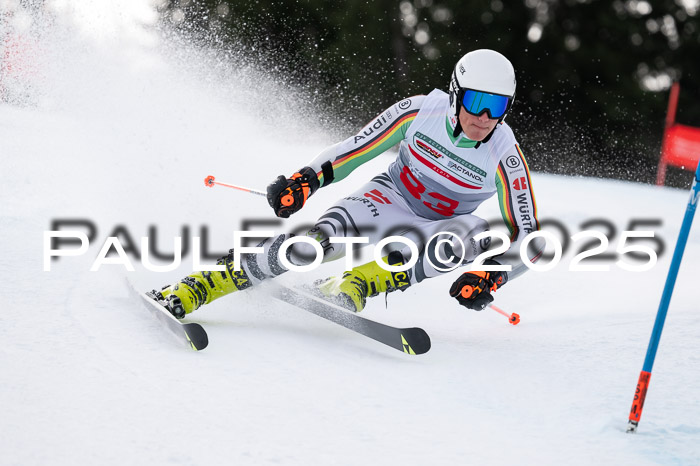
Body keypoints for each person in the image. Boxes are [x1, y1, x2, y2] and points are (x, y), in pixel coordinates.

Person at [151, 49, 541, 317]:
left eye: (498, 106)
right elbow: (356, 149)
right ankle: (199, 285)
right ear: (456, 94)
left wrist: (496, 273)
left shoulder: (505, 156)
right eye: (476, 102)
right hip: (385, 200)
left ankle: (356, 284)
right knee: (308, 248)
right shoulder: (419, 112)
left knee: (472, 236)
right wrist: (307, 180)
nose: (485, 117)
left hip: (435, 226)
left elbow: (531, 238)